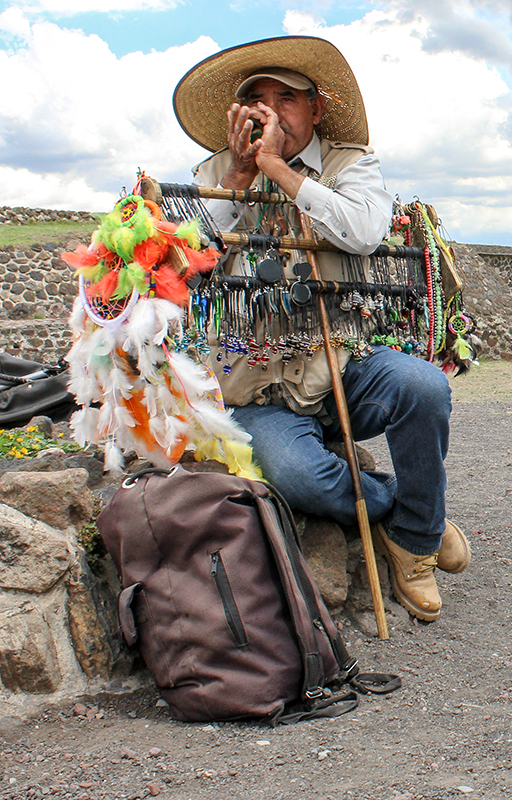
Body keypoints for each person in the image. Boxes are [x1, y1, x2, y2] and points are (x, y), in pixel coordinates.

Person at [172, 36, 469, 622]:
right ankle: (413, 517)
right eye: (255, 98)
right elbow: (187, 257)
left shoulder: (351, 164)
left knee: (423, 389)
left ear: (316, 109)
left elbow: (361, 231)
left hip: (346, 362)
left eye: (286, 97)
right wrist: (238, 173)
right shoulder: (212, 170)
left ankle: (412, 544)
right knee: (295, 475)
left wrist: (279, 170)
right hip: (254, 381)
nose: (269, 109)